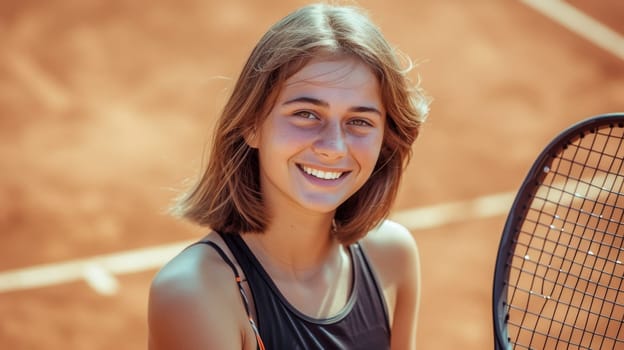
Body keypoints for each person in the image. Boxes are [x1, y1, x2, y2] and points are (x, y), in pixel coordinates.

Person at [148, 2, 430, 349]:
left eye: (360, 121)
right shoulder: (196, 294)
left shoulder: (392, 255)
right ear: (251, 125)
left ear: (385, 139)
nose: (334, 147)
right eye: (306, 114)